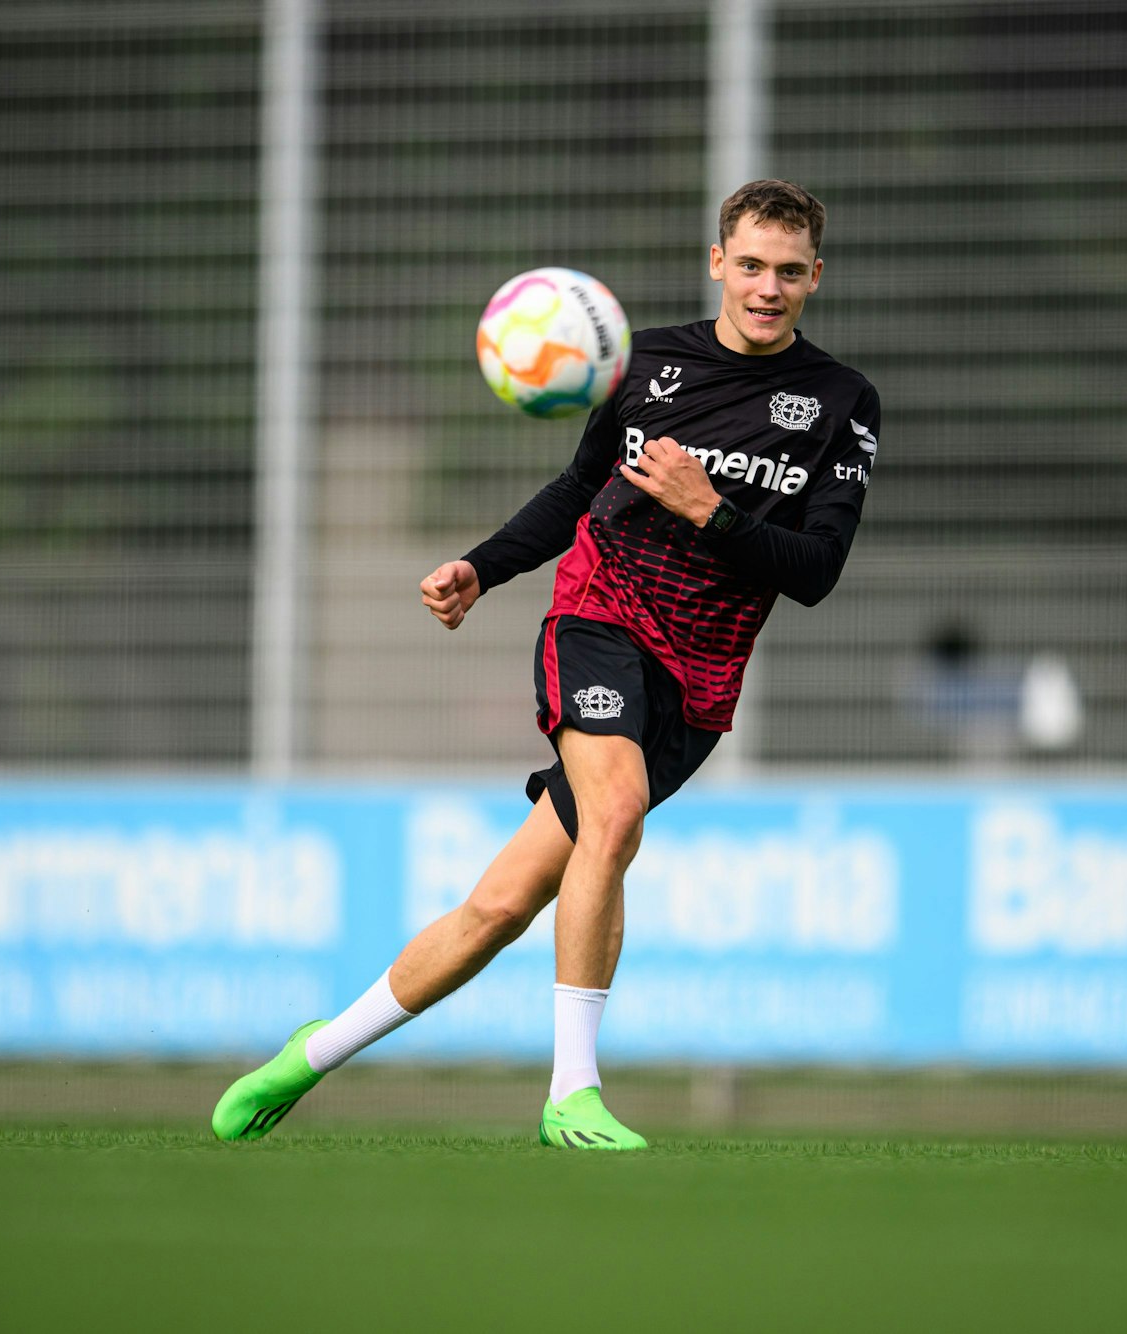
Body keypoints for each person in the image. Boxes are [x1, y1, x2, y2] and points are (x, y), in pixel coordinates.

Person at [211, 180, 879, 1149]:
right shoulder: (645, 363)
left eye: (786, 270)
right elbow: (578, 488)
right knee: (614, 812)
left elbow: (816, 572)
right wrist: (482, 567)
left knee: (498, 905)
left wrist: (712, 510)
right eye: (748, 265)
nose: (765, 287)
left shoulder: (842, 402)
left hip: (696, 683)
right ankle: (572, 1091)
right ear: (716, 264)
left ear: (815, 276)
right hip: (598, 619)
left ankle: (309, 1053)